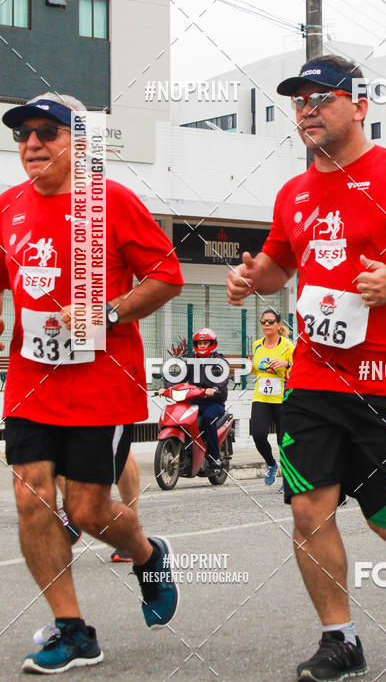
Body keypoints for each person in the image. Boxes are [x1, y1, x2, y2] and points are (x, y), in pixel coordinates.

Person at [226, 54, 386, 681]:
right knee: (308, 507)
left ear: (360, 105)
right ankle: (340, 640)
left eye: (322, 97)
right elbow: (279, 267)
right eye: (299, 101)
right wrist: (250, 278)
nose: (308, 109)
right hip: (313, 376)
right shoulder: (293, 193)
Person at [1, 94, 184, 674]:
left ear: (79, 142)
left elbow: (167, 277)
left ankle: (149, 555)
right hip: (31, 381)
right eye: (24, 133)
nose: (33, 143)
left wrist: (107, 312)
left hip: (100, 386)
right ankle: (73, 631)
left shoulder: (112, 202)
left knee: (86, 510)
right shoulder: (7, 207)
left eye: (47, 132)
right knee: (31, 496)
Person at [159, 327, 228, 468]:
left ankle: (214, 458)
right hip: (194, 401)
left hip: (213, 403)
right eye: (199, 344)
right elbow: (180, 376)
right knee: (178, 416)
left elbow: (222, 379)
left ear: (212, 344)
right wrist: (167, 387)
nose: (202, 346)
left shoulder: (219, 361)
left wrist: (214, 389)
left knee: (209, 418)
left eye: (205, 343)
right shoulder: (191, 360)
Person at [250, 309, 294, 486]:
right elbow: (255, 368)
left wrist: (286, 364)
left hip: (282, 398)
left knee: (284, 440)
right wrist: (250, 366)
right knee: (259, 434)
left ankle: (288, 478)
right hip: (261, 397)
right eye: (263, 322)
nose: (266, 325)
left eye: (270, 321)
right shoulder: (256, 345)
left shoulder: (288, 346)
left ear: (278, 325)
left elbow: (299, 367)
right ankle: (271, 463)